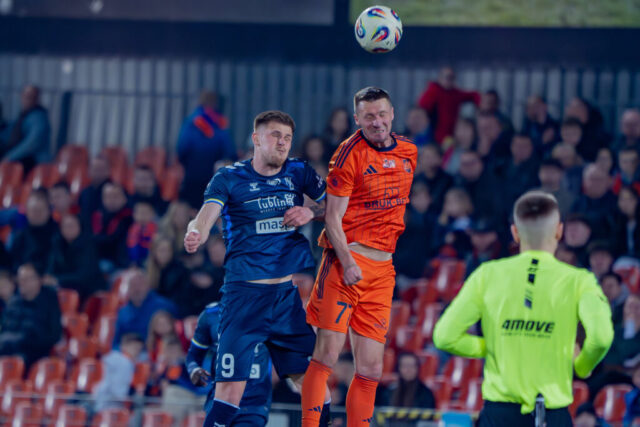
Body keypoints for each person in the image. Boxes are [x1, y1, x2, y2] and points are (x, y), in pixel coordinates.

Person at [183, 110, 330, 427]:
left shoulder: (299, 172)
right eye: (275, 135)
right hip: (243, 298)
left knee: (313, 381)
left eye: (287, 137)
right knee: (229, 395)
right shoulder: (229, 178)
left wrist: (312, 212)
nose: (282, 143)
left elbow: (336, 205)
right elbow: (206, 215)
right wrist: (196, 232)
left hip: (284, 298)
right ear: (256, 139)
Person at [433, 190, 614, 427]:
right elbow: (601, 338)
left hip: (499, 414)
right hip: (551, 413)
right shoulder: (580, 280)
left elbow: (444, 337)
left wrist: (492, 346)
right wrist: (582, 365)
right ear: (559, 231)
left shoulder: (486, 275)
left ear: (515, 233)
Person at [302, 87, 417, 426]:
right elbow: (333, 216)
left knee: (371, 368)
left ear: (392, 114)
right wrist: (349, 262)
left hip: (383, 270)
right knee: (326, 355)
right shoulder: (347, 154)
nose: (376, 122)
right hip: (346, 263)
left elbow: (376, 205)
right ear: (357, 119)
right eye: (368, 117)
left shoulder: (409, 151)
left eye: (381, 114)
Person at [186, 302, 273, 426]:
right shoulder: (210, 315)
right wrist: (194, 369)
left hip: (252, 405)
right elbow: (194, 355)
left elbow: (288, 352)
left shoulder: (270, 313)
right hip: (219, 401)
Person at [177, 90, 236, 209]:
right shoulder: (219, 122)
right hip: (213, 174)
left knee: (192, 209)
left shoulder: (191, 121)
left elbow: (182, 149)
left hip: (193, 173)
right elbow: (229, 150)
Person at [0, 263, 62, 367]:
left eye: (26, 279)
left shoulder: (49, 302)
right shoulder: (14, 302)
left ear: (38, 280)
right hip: (8, 350)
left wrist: (22, 340)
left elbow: (52, 335)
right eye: (20, 279)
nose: (22, 283)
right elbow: (5, 329)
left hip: (34, 355)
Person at [46, 214, 105, 301]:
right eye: (65, 226)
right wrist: (49, 278)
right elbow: (52, 267)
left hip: (88, 290)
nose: (69, 229)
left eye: (72, 226)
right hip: (65, 287)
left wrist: (58, 279)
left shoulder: (88, 246)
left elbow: (84, 276)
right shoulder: (57, 244)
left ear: (80, 227)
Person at [112, 269, 177, 347]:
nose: (137, 289)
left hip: (159, 350)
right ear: (127, 289)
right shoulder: (122, 312)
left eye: (140, 284)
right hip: (129, 352)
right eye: (133, 285)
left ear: (148, 286)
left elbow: (176, 337)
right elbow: (115, 342)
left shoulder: (164, 306)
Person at [418, 66, 481, 144]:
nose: (449, 80)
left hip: (451, 136)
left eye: (452, 78)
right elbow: (422, 107)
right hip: (434, 135)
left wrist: (480, 107)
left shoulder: (455, 94)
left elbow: (473, 95)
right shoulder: (433, 91)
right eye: (447, 77)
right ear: (440, 78)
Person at [0, 85, 50, 171]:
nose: (27, 99)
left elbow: (32, 144)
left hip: (34, 161)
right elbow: (8, 134)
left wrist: (10, 157)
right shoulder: (23, 116)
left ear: (37, 99)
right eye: (25, 96)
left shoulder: (39, 118)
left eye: (31, 96)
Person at [93, 333, 144, 412]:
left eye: (139, 349)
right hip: (110, 403)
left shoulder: (112, 356)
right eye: (134, 348)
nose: (136, 352)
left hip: (100, 399)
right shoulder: (125, 362)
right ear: (123, 346)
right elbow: (120, 392)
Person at [9, 189, 57, 273]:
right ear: (27, 212)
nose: (37, 214)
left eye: (40, 210)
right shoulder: (19, 236)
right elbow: (13, 263)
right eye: (33, 210)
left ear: (49, 211)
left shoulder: (58, 234)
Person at [92, 182, 133, 273]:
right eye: (107, 197)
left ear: (125, 198)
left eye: (115, 196)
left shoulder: (131, 217)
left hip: (123, 263)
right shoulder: (97, 216)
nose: (111, 200)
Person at [79, 155, 111, 228]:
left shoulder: (115, 191)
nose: (98, 172)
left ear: (108, 171)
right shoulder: (84, 192)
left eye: (101, 169)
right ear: (88, 171)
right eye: (95, 169)